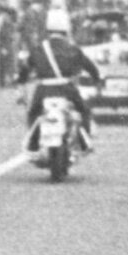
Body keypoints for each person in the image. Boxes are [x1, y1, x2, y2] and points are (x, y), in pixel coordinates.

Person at [17, 9, 99, 154]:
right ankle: (84, 143)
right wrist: (97, 80)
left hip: (43, 89)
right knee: (83, 110)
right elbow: (90, 67)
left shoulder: (38, 48)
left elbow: (25, 70)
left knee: (33, 113)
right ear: (66, 28)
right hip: (66, 88)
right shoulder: (73, 48)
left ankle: (34, 143)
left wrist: (21, 84)